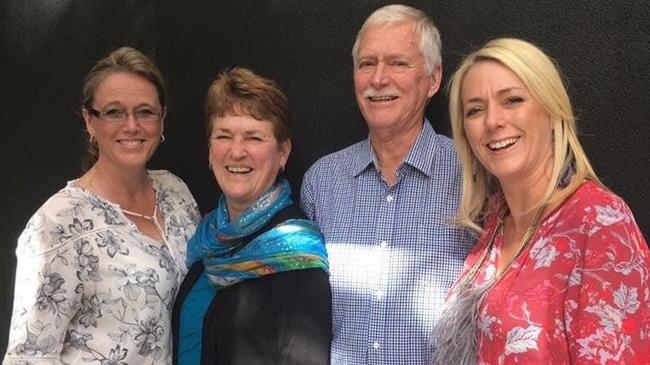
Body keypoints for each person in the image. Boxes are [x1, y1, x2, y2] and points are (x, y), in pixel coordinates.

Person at [433, 38, 650, 365]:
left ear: (551, 111)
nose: (493, 122)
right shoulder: (495, 221)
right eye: (475, 110)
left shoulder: (600, 223)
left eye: (512, 100)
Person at [3, 47, 201, 365]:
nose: (132, 125)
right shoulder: (58, 225)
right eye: (113, 112)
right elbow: (29, 357)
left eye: (145, 111)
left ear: (162, 118)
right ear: (89, 121)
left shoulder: (175, 192)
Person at [300, 4, 474, 364]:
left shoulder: (472, 177)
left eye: (398, 63)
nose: (379, 78)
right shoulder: (322, 181)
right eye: (367, 63)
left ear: (433, 79)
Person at [172, 67, 331, 365]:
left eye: (254, 138)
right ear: (209, 151)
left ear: (283, 153)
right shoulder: (207, 239)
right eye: (224, 136)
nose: (236, 151)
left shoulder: (295, 257)